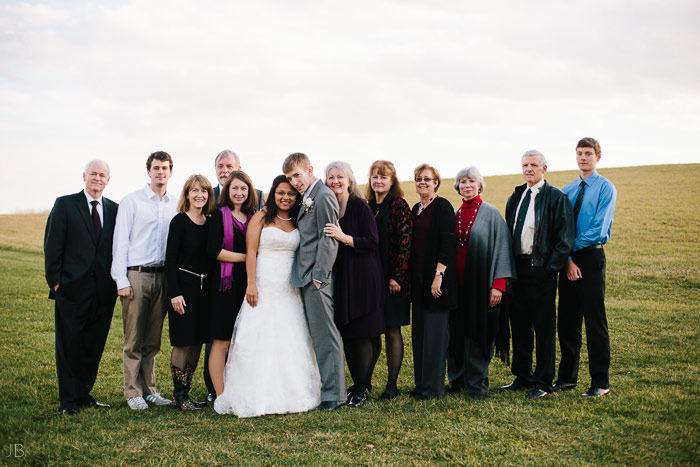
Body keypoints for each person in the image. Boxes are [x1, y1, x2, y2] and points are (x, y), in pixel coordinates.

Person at [214, 175, 321, 417]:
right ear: (273, 194)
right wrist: (251, 283)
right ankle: (254, 393)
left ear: (297, 197)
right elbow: (251, 252)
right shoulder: (261, 217)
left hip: (289, 286)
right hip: (262, 282)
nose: (286, 197)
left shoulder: (299, 218)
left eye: (291, 194)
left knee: (291, 336)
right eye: (281, 192)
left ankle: (292, 393)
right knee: (257, 336)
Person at [44, 160, 118, 415]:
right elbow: (52, 245)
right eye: (93, 174)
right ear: (84, 176)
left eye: (102, 175)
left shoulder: (114, 209)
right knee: (69, 346)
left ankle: (84, 392)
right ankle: (68, 401)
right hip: (71, 290)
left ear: (108, 180)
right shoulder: (65, 204)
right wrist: (56, 283)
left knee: (93, 345)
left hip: (103, 293)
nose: (97, 178)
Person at [502, 150, 574, 399]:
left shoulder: (556, 197)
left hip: (541, 269)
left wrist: (549, 269)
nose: (528, 169)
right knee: (519, 324)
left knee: (543, 327)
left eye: (533, 165)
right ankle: (523, 376)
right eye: (525, 165)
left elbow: (565, 240)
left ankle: (543, 382)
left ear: (544, 168)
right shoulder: (516, 196)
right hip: (517, 268)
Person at [112, 151, 178, 410]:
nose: (160, 172)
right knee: (133, 338)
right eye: (156, 168)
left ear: (171, 172)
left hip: (163, 276)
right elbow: (121, 243)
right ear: (148, 171)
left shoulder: (175, 203)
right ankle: (132, 392)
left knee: (152, 338)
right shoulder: (132, 201)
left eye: (165, 168)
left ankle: (149, 389)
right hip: (136, 275)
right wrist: (121, 280)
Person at [283, 152, 345, 411]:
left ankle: (334, 395)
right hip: (306, 277)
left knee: (325, 336)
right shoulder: (307, 196)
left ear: (309, 169)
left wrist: (319, 277)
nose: (294, 181)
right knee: (318, 336)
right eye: (289, 178)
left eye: (297, 175)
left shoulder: (323, 195)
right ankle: (328, 389)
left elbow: (329, 238)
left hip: (317, 278)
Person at [555, 137, 617, 398]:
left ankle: (600, 382)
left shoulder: (606, 188)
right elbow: (560, 228)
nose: (583, 157)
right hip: (568, 260)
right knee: (567, 321)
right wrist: (567, 260)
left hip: (590, 258)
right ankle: (567, 378)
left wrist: (572, 252)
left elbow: (599, 229)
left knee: (594, 321)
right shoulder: (567, 189)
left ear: (598, 157)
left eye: (588, 153)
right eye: (579, 153)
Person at [447, 166, 515, 399]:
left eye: (471, 181)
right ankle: (457, 380)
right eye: (462, 182)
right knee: (456, 333)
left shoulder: (491, 214)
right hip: (457, 286)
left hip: (481, 286)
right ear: (458, 187)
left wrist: (498, 285)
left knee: (477, 333)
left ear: (479, 185)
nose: (466, 185)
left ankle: (477, 385)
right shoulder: (455, 214)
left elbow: (502, 249)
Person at [323, 161, 385, 408]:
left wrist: (344, 238)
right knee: (349, 331)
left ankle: (361, 388)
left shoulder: (359, 206)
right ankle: (362, 382)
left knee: (365, 331)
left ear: (349, 180)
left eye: (340, 176)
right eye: (330, 177)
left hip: (364, 274)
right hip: (344, 275)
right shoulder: (331, 207)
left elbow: (372, 241)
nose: (335, 181)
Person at [204, 149, 264, 400]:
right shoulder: (219, 215)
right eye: (234, 188)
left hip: (251, 283)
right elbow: (214, 251)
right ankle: (220, 394)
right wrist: (247, 257)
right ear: (227, 190)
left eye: (243, 189)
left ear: (250, 191)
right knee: (221, 341)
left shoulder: (256, 216)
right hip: (224, 285)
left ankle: (242, 388)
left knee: (247, 341)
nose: (239, 193)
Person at [165, 174, 215, 411]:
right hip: (183, 290)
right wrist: (174, 293)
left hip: (204, 291)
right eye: (194, 191)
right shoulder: (179, 222)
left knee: (197, 343)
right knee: (183, 342)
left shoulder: (211, 221)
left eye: (203, 191)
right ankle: (178, 394)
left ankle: (186, 392)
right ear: (187, 194)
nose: (199, 195)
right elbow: (170, 260)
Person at [365, 160, 412, 400]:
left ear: (392, 181)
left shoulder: (399, 205)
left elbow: (405, 243)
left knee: (392, 330)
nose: (378, 181)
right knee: (373, 330)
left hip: (394, 279)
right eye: (374, 176)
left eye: (383, 177)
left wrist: (397, 276)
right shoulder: (369, 206)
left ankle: (391, 385)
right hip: (373, 279)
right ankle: (366, 382)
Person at [410, 164, 457, 400]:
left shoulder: (443, 206)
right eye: (418, 179)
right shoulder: (416, 208)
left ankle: (433, 389)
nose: (422, 183)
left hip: (437, 281)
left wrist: (438, 275)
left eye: (427, 179)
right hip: (417, 282)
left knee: (435, 337)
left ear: (436, 182)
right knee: (419, 334)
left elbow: (448, 244)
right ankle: (420, 385)